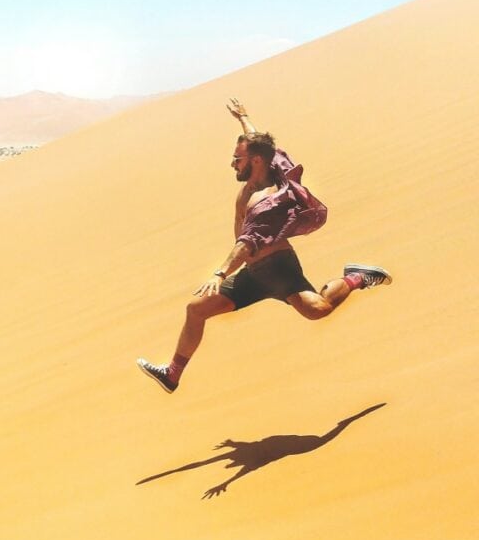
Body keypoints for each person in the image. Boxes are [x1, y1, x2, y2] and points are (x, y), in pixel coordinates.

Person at [136, 98, 392, 393]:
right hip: (254, 275)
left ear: (255, 162)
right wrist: (243, 118)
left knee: (318, 309)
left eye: (238, 159)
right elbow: (261, 145)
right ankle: (172, 375)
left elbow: (246, 244)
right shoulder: (268, 165)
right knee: (196, 309)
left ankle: (357, 276)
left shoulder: (265, 201)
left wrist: (220, 273)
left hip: (278, 269)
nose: (233, 163)